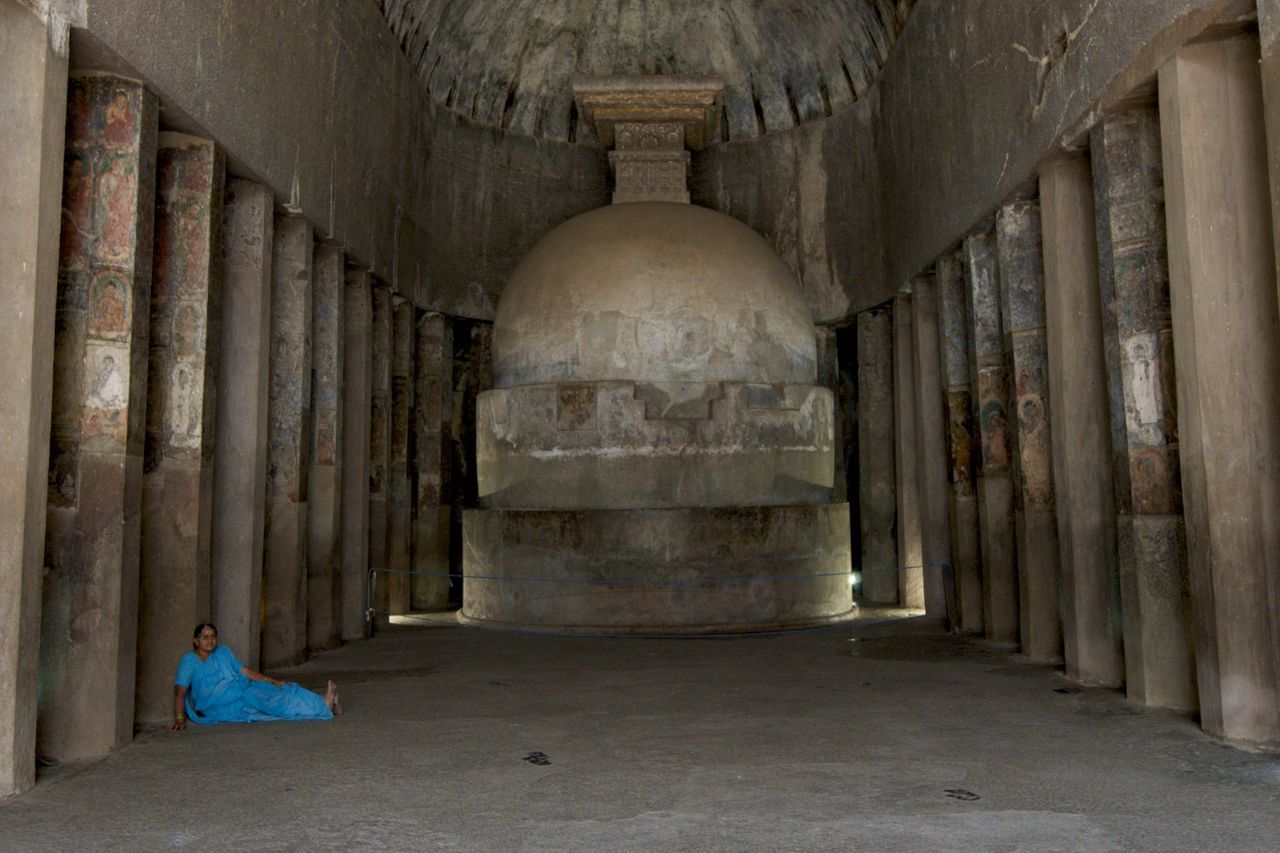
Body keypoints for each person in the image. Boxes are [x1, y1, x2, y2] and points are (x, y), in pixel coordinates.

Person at [167, 623, 340, 731]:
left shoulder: (223, 652)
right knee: (269, 702)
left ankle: (321, 701)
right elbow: (180, 692)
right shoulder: (189, 661)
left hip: (241, 691)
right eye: (205, 637)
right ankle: (323, 705)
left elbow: (245, 672)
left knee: (278, 689)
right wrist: (179, 719)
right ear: (196, 641)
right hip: (219, 705)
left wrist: (273, 680)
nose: (210, 641)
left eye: (213, 637)